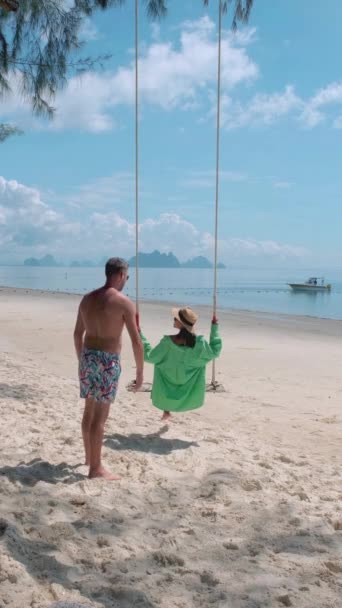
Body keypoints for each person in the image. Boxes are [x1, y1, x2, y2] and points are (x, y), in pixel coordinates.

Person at [73, 257, 143, 480]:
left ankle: (88, 457)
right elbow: (136, 341)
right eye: (127, 277)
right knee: (99, 419)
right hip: (107, 361)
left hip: (88, 357)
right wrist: (140, 372)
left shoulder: (86, 299)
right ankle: (96, 468)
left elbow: (77, 334)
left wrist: (81, 360)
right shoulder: (123, 302)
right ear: (121, 275)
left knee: (88, 412)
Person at [140, 307, 222, 421]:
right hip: (188, 386)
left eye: (175, 318)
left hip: (168, 379)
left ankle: (166, 410)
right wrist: (214, 328)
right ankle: (167, 411)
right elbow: (215, 351)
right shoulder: (199, 344)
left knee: (163, 369)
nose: (174, 320)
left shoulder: (167, 343)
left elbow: (149, 357)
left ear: (181, 323)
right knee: (167, 369)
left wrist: (140, 334)